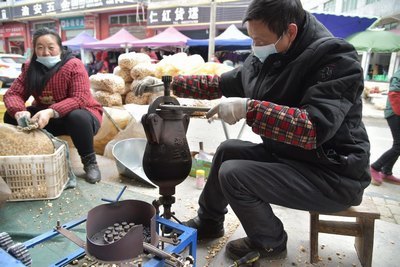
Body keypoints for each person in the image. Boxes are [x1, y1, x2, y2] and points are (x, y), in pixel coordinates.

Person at [137, 0, 371, 262]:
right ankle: (209, 221)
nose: (255, 46)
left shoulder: (335, 59)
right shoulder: (271, 58)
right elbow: (221, 84)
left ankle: (270, 242)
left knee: (235, 174)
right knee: (227, 151)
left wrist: (250, 109)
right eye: (252, 39)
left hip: (332, 173)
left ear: (290, 31)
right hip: (295, 158)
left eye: (261, 40)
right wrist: (167, 84)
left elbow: (313, 128)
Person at [3, 27, 103, 184]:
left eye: (51, 47)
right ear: (34, 50)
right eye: (40, 48)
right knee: (9, 114)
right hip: (45, 118)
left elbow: (79, 98)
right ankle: (26, 156)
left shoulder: (73, 65)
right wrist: (19, 112)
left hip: (80, 117)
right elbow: (13, 94)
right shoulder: (30, 68)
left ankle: (90, 163)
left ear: (60, 48)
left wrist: (50, 111)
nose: (46, 52)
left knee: (77, 116)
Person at [370, 69, 400, 185]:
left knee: (398, 145)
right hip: (395, 113)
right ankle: (375, 167)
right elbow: (394, 93)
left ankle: (386, 172)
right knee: (398, 145)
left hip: (396, 112)